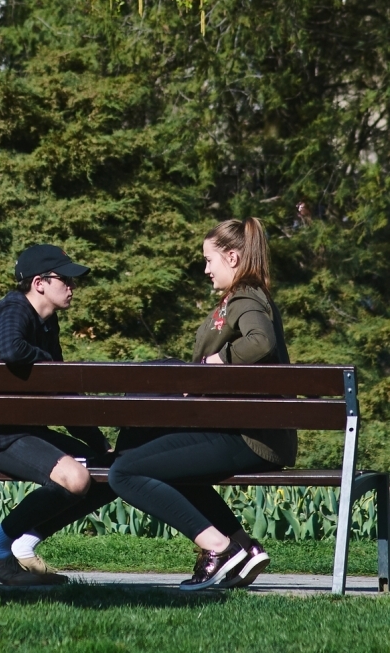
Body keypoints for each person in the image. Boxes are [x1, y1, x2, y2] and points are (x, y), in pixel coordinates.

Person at [108, 217, 296, 592]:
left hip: (247, 436)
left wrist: (221, 359)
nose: (206, 270)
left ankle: (218, 547)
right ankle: (242, 549)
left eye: (209, 260)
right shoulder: (241, 296)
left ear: (232, 257)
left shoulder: (246, 296)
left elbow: (261, 342)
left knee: (124, 472)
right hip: (243, 430)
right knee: (149, 458)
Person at [0, 243, 116, 587]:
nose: (72, 286)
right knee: (76, 478)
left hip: (20, 431)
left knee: (112, 471)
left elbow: (62, 395)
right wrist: (51, 364)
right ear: (39, 283)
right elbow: (10, 348)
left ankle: (23, 540)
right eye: (65, 279)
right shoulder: (13, 311)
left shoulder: (48, 324)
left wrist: (100, 445)